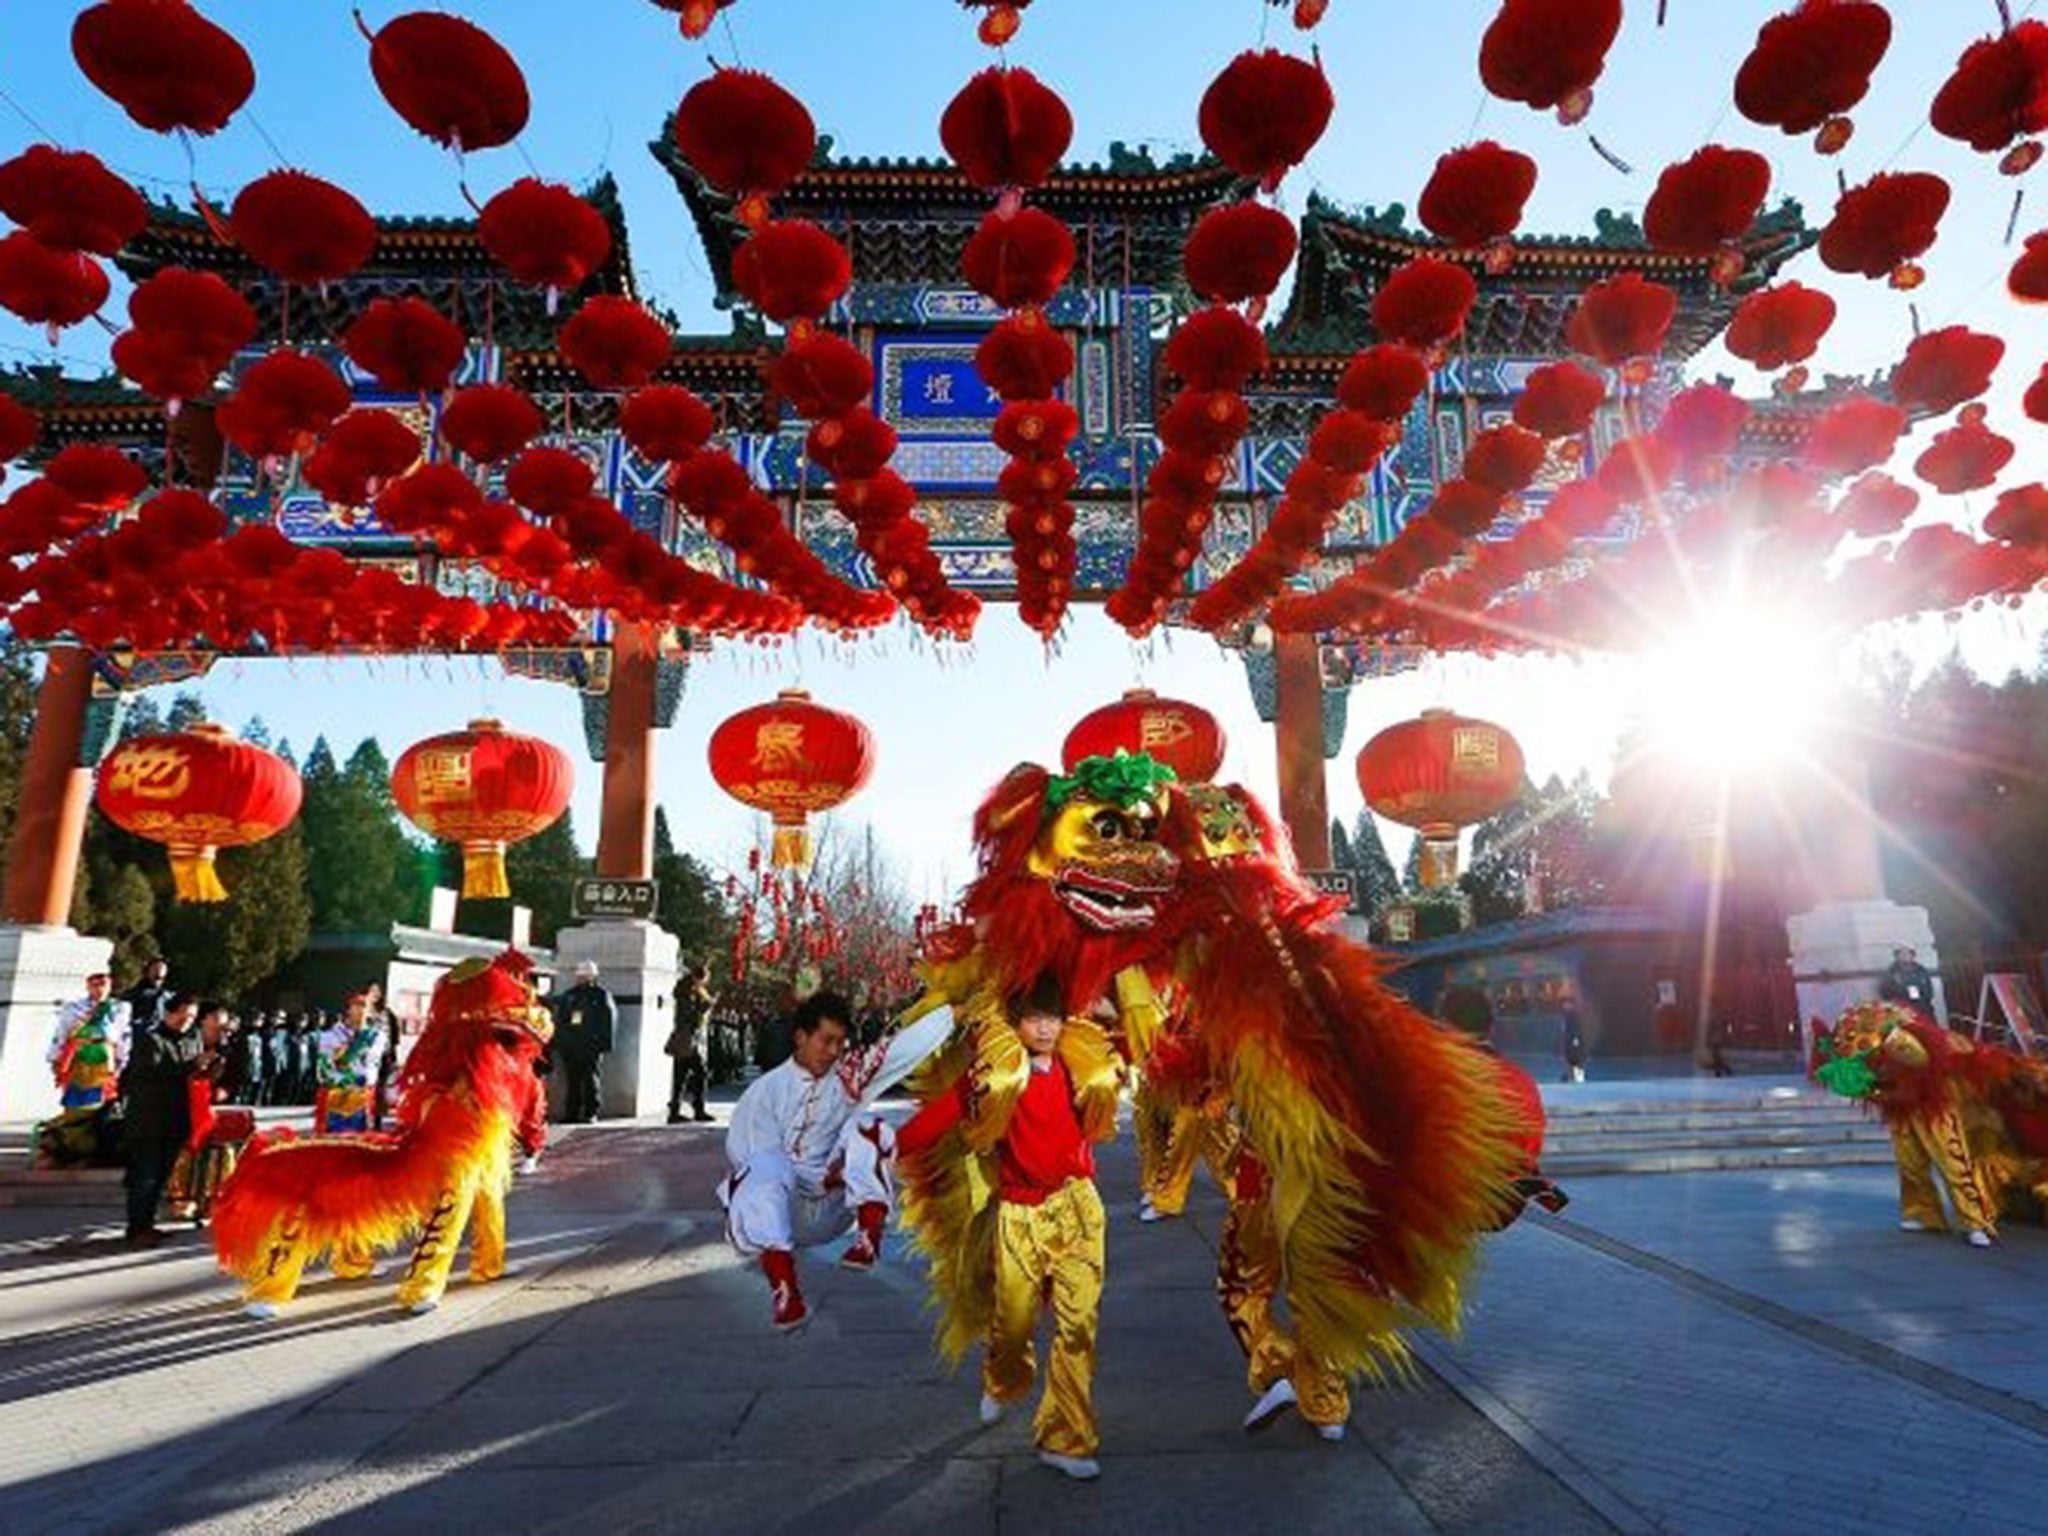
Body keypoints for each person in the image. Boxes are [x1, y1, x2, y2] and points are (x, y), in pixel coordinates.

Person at [895, 973, 1118, 1481]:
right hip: (1019, 1215)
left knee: (1079, 1328)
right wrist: (876, 1152)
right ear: (1015, 1024)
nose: (1043, 1029)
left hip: (1080, 1208)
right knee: (1014, 1324)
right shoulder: (993, 1076)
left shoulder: (1082, 1067)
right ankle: (1001, 1380)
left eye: (1052, 1018)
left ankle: (1067, 1439)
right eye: (1033, 1019)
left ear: (1065, 1021)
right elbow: (939, 1117)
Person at [718, 990, 896, 1331]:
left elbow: (903, 1051)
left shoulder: (848, 1081)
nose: (833, 1052)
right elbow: (751, 1162)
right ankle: (786, 1293)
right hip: (784, 1210)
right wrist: (824, 1177)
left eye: (840, 1043)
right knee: (764, 1165)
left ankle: (870, 1236)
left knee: (870, 1126)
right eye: (826, 1040)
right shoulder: (764, 1092)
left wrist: (957, 1010)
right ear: (801, 1037)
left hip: (836, 1208)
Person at [121, 992, 210, 1248]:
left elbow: (190, 1074)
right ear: (169, 1013)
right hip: (149, 1120)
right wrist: (191, 1066)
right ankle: (137, 1228)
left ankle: (146, 1225)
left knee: (160, 1177)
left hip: (176, 1120)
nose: (186, 1020)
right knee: (144, 1176)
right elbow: (153, 1073)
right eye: (182, 1014)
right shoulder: (150, 1039)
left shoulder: (192, 1039)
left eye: (192, 1016)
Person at [47, 971, 131, 1113]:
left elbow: (124, 1035)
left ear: (110, 986)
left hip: (104, 1058)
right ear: (88, 987)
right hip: (78, 1056)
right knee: (75, 1095)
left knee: (101, 1098)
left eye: (103, 985)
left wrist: (122, 1060)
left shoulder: (119, 1008)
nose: (99, 989)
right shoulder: (74, 1008)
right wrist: (55, 1058)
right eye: (94, 985)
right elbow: (61, 1033)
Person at [552, 961, 616, 1123]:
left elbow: (609, 1020)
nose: (582, 978)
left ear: (593, 976)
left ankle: (590, 1112)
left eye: (585, 976)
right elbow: (561, 1020)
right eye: (580, 976)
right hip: (571, 1046)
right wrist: (560, 1042)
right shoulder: (570, 995)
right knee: (573, 1081)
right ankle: (571, 1113)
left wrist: (605, 1044)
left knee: (590, 1080)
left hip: (591, 1046)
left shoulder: (601, 995)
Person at [315, 993, 386, 1134]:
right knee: (335, 1139)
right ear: (348, 1010)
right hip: (338, 1094)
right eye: (356, 1006)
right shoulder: (329, 1036)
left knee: (361, 1141)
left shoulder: (376, 1036)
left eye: (365, 1007)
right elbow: (324, 1068)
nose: (361, 1011)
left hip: (363, 1093)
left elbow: (372, 1065)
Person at [668, 958, 716, 1124]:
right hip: (689, 1039)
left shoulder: (686, 991)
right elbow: (689, 1017)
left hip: (686, 1039)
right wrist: (705, 1008)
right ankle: (698, 1109)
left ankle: (675, 1111)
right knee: (699, 1073)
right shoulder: (688, 993)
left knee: (681, 1076)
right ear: (698, 978)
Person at [120, 956, 172, 1043]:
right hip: (138, 1037)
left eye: (160, 977)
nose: (158, 972)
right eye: (155, 969)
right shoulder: (133, 994)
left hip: (161, 1039)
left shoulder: (167, 996)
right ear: (148, 971)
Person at [1879, 946, 1938, 1017]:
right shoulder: (1891, 972)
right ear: (1897, 956)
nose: (1905, 956)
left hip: (1923, 1008)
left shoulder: (1921, 970)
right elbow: (1885, 993)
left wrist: (1923, 998)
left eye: (1908, 953)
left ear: (1912, 955)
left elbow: (1929, 990)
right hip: (1902, 1010)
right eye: (1902, 953)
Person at [1560, 1007, 1588, 1084]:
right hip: (1570, 1043)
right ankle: (1572, 1076)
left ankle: (1577, 1076)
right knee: (1571, 1059)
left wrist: (1576, 1042)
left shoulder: (1572, 1023)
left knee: (1575, 1059)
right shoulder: (1567, 1022)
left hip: (1573, 1043)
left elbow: (1576, 1035)